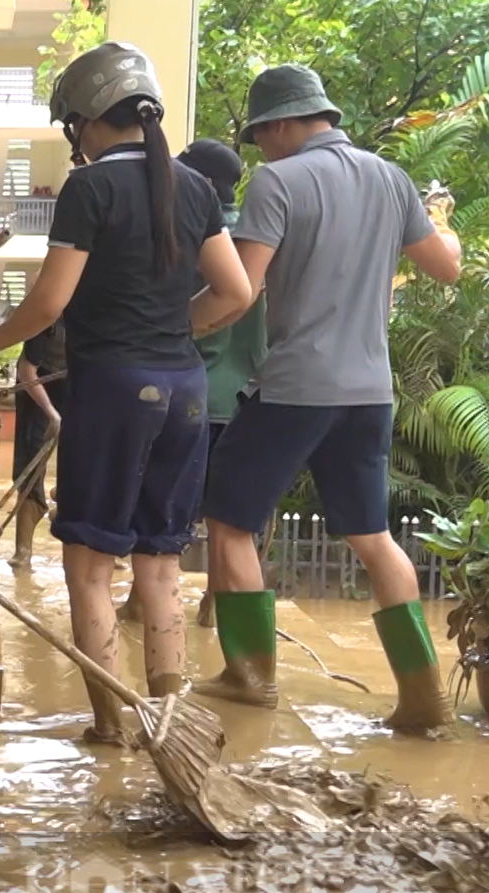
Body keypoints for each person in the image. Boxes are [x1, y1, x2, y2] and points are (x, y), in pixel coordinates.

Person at [0, 43, 253, 744]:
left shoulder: (87, 189)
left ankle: (110, 726)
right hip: (184, 389)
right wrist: (168, 328)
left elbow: (49, 304)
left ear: (83, 122)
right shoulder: (195, 188)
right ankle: (172, 728)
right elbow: (235, 292)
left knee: (88, 566)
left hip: (113, 391)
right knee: (159, 562)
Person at [195, 64, 461, 731]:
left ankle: (248, 677)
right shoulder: (389, 178)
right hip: (369, 391)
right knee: (370, 536)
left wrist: (167, 327)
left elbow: (240, 291)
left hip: (293, 388)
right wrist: (442, 224)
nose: (260, 150)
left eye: (261, 136)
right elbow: (445, 267)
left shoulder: (279, 181)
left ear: (282, 124)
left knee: (228, 521)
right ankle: (422, 695)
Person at [179, 137, 267, 628]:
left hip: (195, 393)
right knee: (230, 522)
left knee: (171, 515)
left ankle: (141, 605)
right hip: (249, 396)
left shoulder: (198, 240)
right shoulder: (259, 239)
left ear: (203, 185)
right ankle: (215, 610)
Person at [9, 317, 65, 568]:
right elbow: (26, 370)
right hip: (35, 387)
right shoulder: (47, 317)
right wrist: (52, 413)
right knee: (31, 461)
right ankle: (24, 550)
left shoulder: (101, 314)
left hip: (74, 385)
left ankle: (67, 512)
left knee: (88, 461)